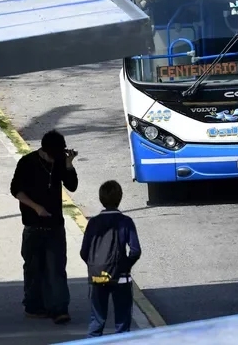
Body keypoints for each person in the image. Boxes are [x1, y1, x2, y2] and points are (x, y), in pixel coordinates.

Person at [10, 130, 79, 324]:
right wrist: (36, 207)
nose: (52, 159)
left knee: (56, 268)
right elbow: (16, 190)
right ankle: (34, 305)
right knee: (33, 268)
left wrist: (68, 164)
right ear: (43, 150)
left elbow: (72, 186)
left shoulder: (58, 161)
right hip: (33, 224)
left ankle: (59, 308)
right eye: (51, 155)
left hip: (55, 224)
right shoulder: (27, 163)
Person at [80, 180, 142, 338]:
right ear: (120, 197)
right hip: (121, 279)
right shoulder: (126, 222)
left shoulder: (93, 222)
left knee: (97, 320)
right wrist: (124, 266)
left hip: (97, 276)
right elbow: (135, 250)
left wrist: (96, 265)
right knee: (122, 322)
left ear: (101, 199)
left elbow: (83, 251)